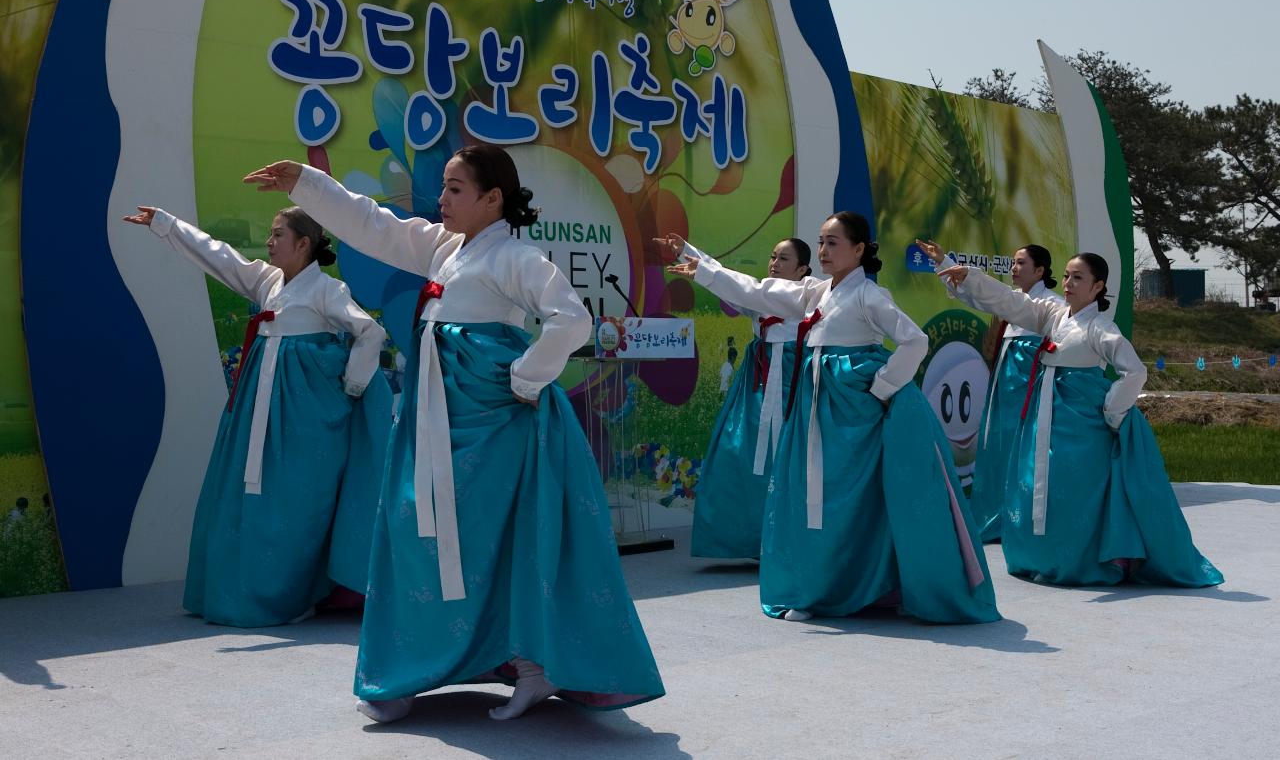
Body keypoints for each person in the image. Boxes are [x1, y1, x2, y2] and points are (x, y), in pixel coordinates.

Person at [244, 144, 664, 724]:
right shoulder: (445, 247)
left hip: (494, 428)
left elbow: (572, 318)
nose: (440, 199)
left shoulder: (514, 257)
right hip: (437, 422)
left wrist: (525, 377)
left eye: (455, 189)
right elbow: (375, 225)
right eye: (442, 187)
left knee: (498, 542)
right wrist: (308, 184)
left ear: (493, 199)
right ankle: (412, 670)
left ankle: (531, 669)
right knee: (418, 531)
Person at [665, 213, 999, 624]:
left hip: (854, 414)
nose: (823, 251)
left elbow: (915, 341)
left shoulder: (870, 296)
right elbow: (758, 290)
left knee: (850, 501)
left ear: (859, 249)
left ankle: (854, 585)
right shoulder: (815, 292)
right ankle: (816, 587)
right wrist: (702, 268)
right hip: (817, 407)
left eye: (833, 243)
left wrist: (881, 387)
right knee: (812, 497)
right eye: (821, 242)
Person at [123, 204, 391, 626]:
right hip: (258, 403)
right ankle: (245, 591)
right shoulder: (267, 281)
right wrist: (166, 224)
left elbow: (371, 332)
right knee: (247, 495)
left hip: (305, 414)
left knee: (298, 501)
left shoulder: (327, 291)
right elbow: (220, 257)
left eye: (278, 234)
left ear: (304, 244)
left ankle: (295, 592)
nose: (269, 242)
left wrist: (353, 383)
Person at [936, 254, 1223, 587]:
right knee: (1034, 485)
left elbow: (1135, 371)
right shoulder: (1054, 315)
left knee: (1073, 494)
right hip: (1044, 420)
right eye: (1068, 277)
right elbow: (1011, 302)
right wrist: (970, 276)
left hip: (1081, 426)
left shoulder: (1101, 328)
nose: (1069, 285)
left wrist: (1113, 411)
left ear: (1098, 286)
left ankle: (1083, 560)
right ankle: (1043, 556)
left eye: (1078, 278)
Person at [659, 236, 815, 560]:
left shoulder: (805, 296)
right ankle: (748, 540)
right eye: (773, 256)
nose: (774, 263)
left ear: (802, 269)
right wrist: (688, 251)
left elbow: (741, 287)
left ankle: (789, 540)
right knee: (737, 457)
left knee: (792, 460)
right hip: (756, 385)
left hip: (793, 383)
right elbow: (731, 285)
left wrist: (698, 264)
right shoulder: (760, 294)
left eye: (783, 259)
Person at [915, 241, 1066, 542]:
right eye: (1012, 262)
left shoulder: (1051, 305)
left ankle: (1023, 515)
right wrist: (944, 262)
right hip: (1006, 383)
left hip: (1028, 386)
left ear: (1040, 270)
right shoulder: (1014, 302)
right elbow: (980, 298)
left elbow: (991, 295)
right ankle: (998, 513)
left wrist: (967, 274)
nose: (1014, 268)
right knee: (998, 446)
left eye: (1021, 263)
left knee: (1024, 448)